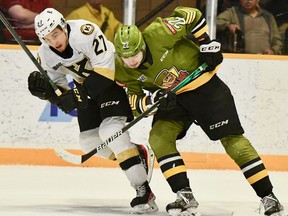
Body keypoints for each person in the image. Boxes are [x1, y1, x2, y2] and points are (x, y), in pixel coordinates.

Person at [113, 6, 285, 216]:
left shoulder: (159, 32)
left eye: (134, 54)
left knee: (232, 140)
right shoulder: (121, 67)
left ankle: (268, 197)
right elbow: (134, 99)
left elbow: (190, 14)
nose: (130, 61)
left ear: (142, 44)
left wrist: (205, 43)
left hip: (205, 87)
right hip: (173, 98)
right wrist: (152, 99)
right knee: (159, 138)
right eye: (125, 57)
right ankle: (184, 195)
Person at [27, 8, 158, 214]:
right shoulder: (45, 53)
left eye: (56, 34)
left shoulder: (85, 32)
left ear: (63, 26)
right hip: (86, 90)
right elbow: (63, 93)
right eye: (47, 38)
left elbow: (106, 73)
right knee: (88, 142)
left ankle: (143, 190)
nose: (53, 42)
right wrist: (49, 94)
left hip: (113, 83)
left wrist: (76, 96)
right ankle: (136, 154)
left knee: (110, 132)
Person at [216, 0, 283, 54]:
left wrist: (273, 51)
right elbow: (215, 22)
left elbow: (277, 40)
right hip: (241, 59)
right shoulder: (233, 13)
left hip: (265, 60)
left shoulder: (268, 17)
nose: (248, 0)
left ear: (257, 0)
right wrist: (228, 25)